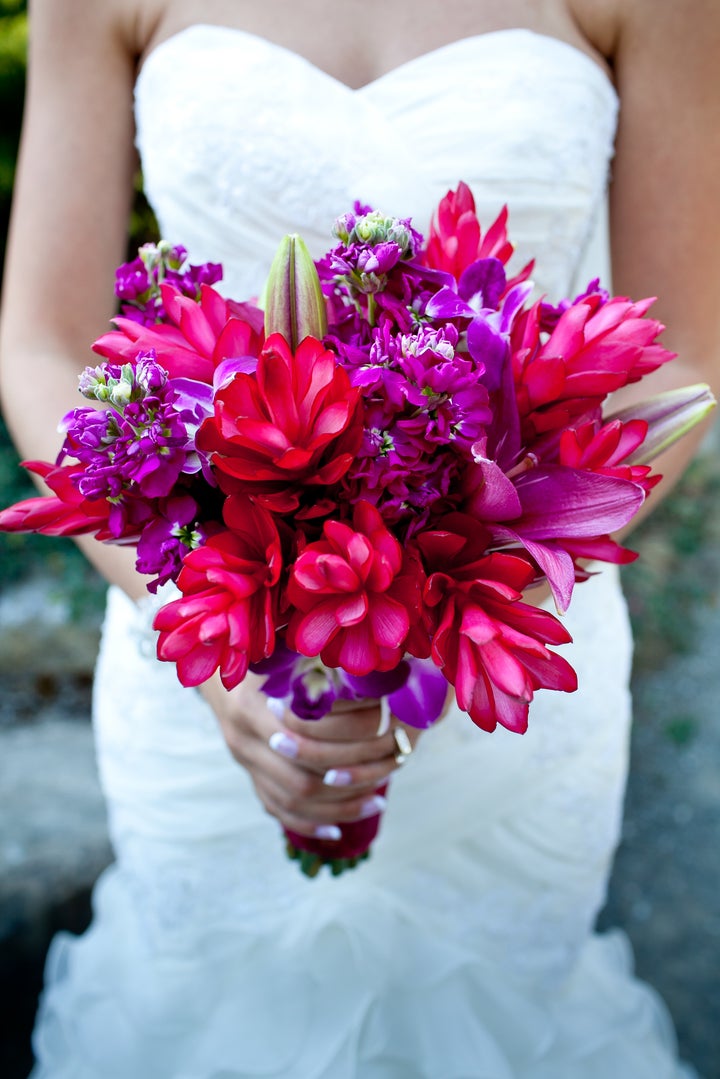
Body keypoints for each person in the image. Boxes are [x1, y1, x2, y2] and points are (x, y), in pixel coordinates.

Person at [1, 1, 718, 1076]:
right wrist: (207, 629)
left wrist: (460, 585)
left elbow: (682, 361)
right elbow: (43, 344)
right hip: (205, 644)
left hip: (503, 648)